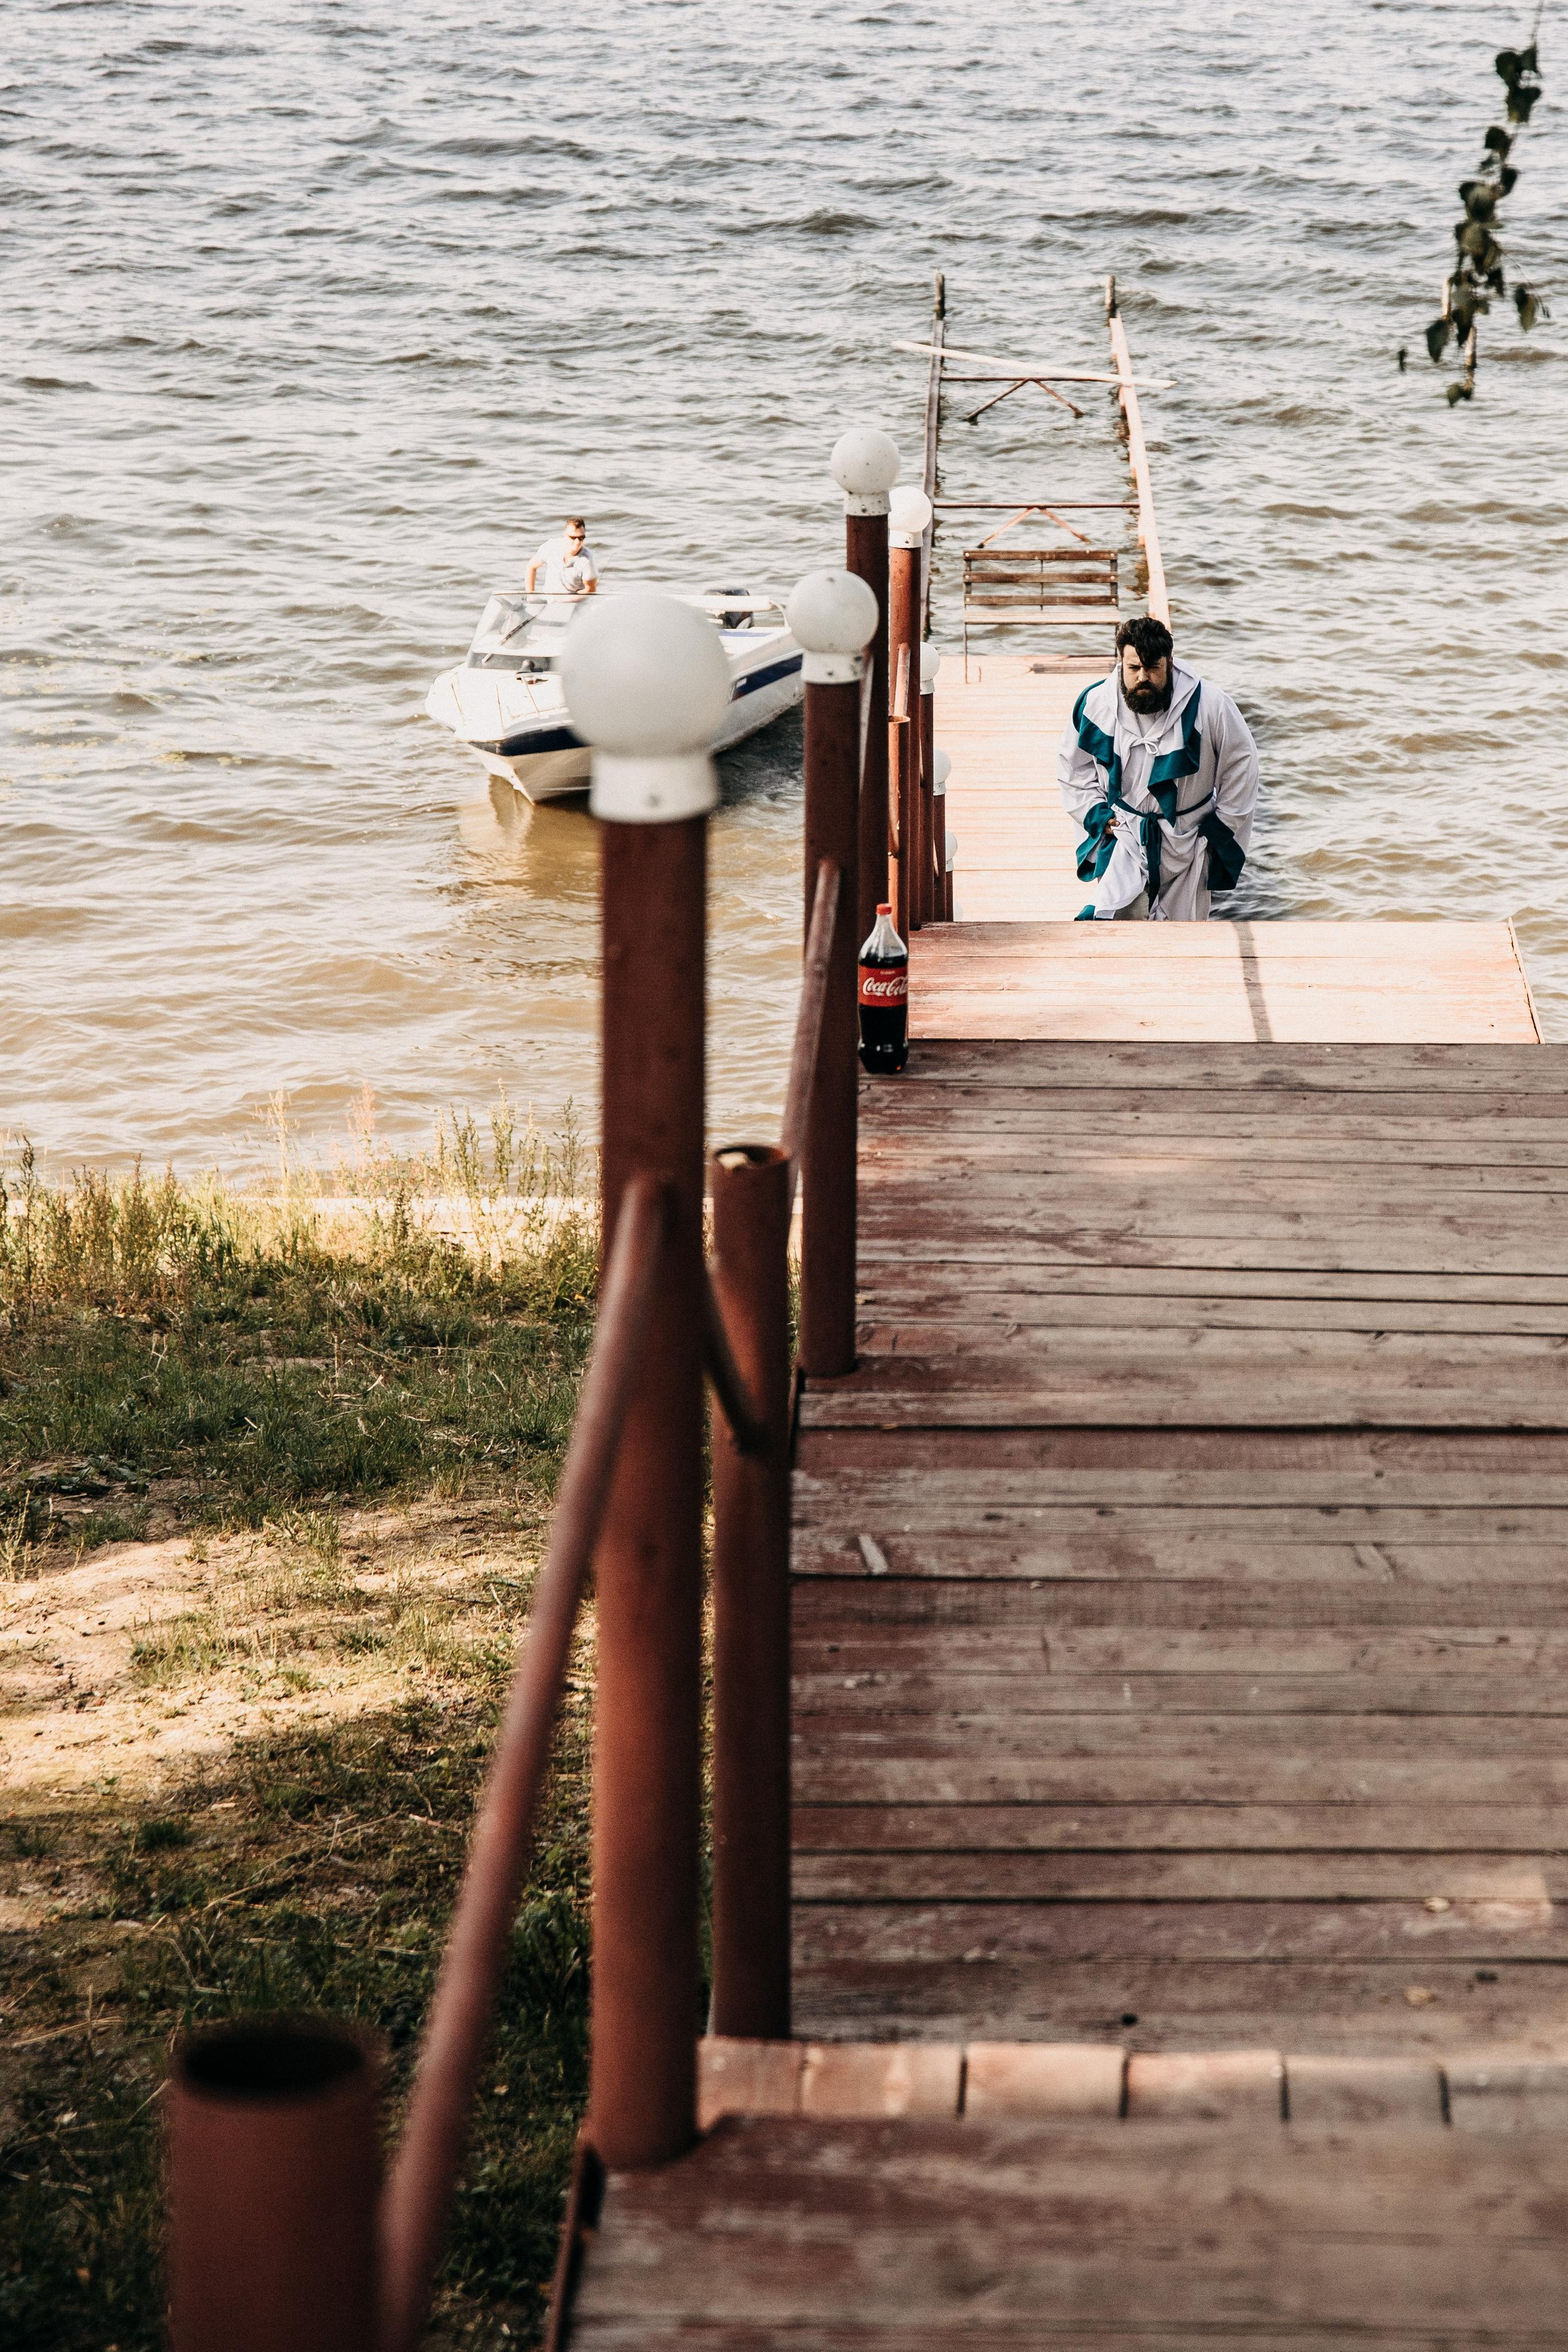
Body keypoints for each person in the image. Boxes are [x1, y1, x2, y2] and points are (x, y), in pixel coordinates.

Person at [1057, 615, 1259, 921]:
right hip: (1126, 834)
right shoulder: (1096, 703)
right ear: (1121, 663)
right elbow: (1073, 768)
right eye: (1134, 668)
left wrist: (1219, 828)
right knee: (1114, 925)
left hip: (1188, 840)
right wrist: (1097, 814)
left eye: (1153, 668)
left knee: (1182, 939)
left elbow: (1242, 765)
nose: (1143, 678)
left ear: (1170, 663)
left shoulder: (1210, 705)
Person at [525, 517, 598, 602]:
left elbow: (590, 590)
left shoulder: (587, 559)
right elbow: (531, 567)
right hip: (548, 601)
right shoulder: (551, 547)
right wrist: (530, 596)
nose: (578, 542)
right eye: (573, 538)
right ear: (565, 535)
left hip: (575, 604)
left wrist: (564, 600)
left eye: (581, 538)